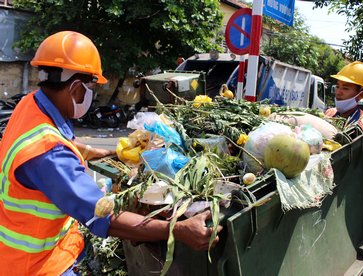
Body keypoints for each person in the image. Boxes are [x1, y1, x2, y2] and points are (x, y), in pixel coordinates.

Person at [0, 31, 222, 275]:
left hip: (25, 248)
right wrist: (177, 230)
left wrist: (98, 152)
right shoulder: (49, 154)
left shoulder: (30, 105)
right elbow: (102, 217)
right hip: (37, 266)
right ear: (75, 88)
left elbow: (58, 139)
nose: (91, 95)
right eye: (91, 88)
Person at [325, 61, 363, 165]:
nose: (338, 92)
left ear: (362, 93)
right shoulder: (330, 113)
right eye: (337, 86)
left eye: (345, 88)